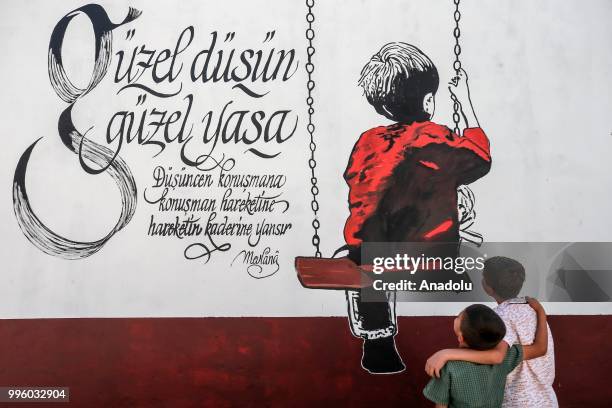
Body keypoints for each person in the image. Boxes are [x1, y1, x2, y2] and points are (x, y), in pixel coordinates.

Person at [343, 42, 491, 373]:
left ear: (381, 105)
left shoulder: (367, 141)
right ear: (428, 100)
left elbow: (357, 181)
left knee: (363, 258)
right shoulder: (437, 139)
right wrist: (464, 103)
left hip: (373, 253)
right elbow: (480, 160)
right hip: (429, 252)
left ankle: (377, 340)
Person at [425, 257, 558, 407]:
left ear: (488, 287)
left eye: (483, 276)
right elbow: (540, 348)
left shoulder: (499, 317)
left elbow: (497, 356)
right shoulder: (532, 309)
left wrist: (445, 354)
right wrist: (541, 311)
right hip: (546, 401)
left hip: (517, 403)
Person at [423, 299, 549, 408]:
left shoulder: (448, 367)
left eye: (459, 317)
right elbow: (540, 348)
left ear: (460, 338)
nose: (457, 317)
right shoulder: (506, 358)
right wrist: (541, 312)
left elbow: (441, 405)